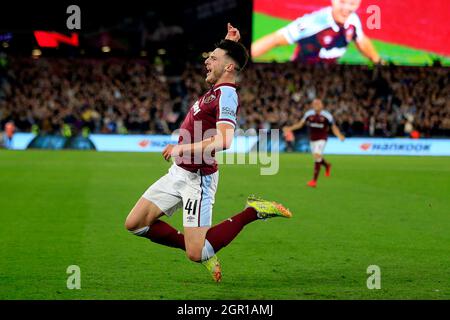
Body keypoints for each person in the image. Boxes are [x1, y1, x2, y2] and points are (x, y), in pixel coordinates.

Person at [125, 23, 292, 282]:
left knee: (194, 253)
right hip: (178, 171)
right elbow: (228, 60)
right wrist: (228, 42)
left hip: (197, 179)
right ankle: (205, 249)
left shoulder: (227, 94)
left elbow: (224, 140)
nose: (207, 62)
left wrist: (182, 147)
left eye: (213, 58)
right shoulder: (217, 89)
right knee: (135, 224)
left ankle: (253, 211)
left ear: (228, 67)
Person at [251, 0, 381, 64]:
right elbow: (275, 39)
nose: (346, 8)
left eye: (352, 4)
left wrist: (377, 60)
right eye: (342, 2)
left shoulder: (353, 19)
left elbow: (361, 40)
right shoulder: (313, 23)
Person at [283, 99, 345, 187]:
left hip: (322, 139)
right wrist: (290, 128)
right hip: (312, 139)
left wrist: (339, 135)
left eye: (318, 103)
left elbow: (333, 127)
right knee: (318, 157)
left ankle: (314, 181)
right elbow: (300, 124)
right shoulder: (308, 114)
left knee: (316, 156)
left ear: (322, 105)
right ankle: (327, 165)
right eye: (314, 103)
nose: (316, 105)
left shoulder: (327, 116)